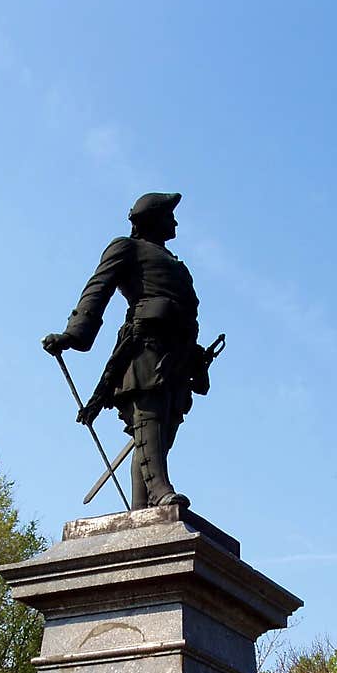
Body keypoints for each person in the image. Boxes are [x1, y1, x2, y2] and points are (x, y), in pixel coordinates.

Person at [42, 192, 210, 510]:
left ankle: (141, 509)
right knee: (150, 419)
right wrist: (73, 335)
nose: (174, 221)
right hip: (145, 347)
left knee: (161, 432)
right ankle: (159, 490)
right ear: (152, 219)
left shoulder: (177, 266)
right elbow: (98, 288)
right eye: (168, 215)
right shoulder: (126, 248)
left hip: (178, 355)